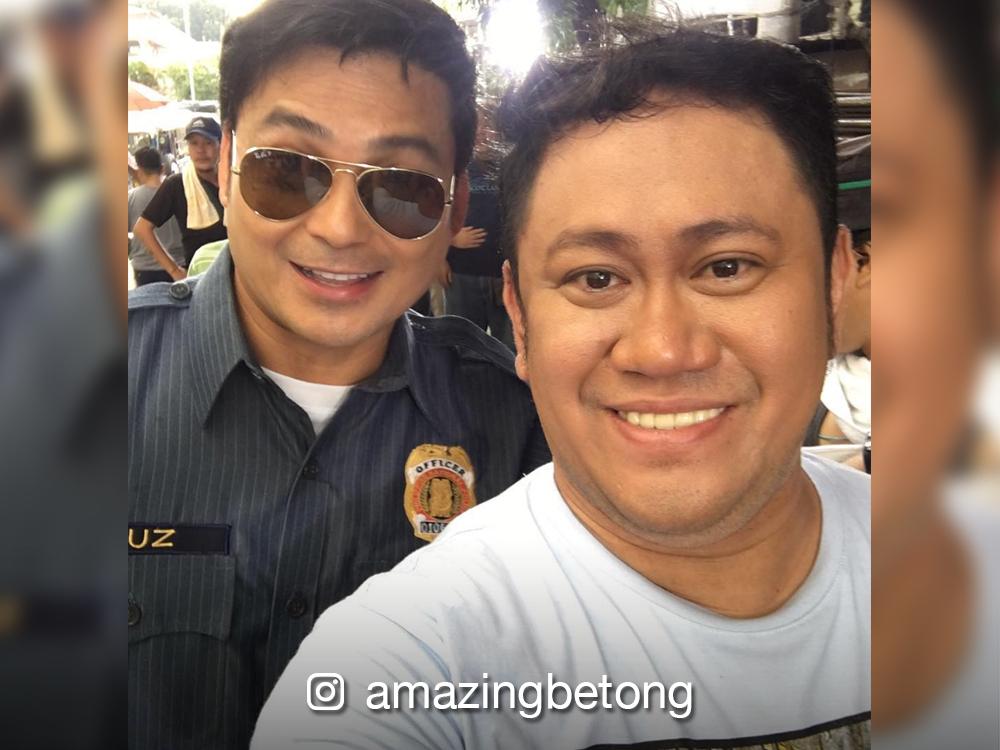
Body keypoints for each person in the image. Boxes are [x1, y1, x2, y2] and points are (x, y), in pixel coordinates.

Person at [253, 24, 870, 750]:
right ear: (518, 318)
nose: (662, 351)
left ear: (835, 280)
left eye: (727, 267)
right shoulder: (400, 668)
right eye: (596, 278)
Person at [127, 1, 549, 748]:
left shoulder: (520, 429)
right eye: (287, 171)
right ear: (226, 165)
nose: (340, 228)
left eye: (403, 187)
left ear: (456, 209)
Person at [131, 116, 227, 278]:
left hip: (240, 274)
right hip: (200, 279)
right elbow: (142, 229)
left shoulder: (234, 179)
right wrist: (174, 270)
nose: (200, 150)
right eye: (194, 143)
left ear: (221, 145)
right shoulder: (177, 185)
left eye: (208, 142)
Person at [445, 154, 514, 349]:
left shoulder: (513, 163)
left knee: (507, 350)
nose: (483, 137)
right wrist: (448, 240)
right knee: (460, 345)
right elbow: (431, 209)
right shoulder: (454, 166)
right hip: (461, 272)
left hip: (505, 274)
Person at [127, 146, 186, 286]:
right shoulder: (178, 192)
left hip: (146, 269)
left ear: (139, 171)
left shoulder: (131, 198)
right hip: (180, 266)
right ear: (162, 168)